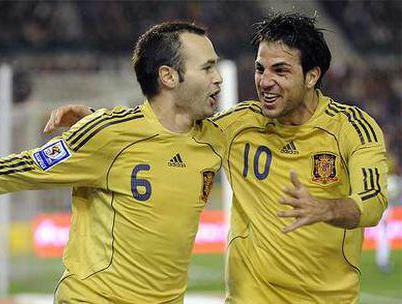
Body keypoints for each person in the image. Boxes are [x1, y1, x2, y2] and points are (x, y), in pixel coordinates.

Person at [43, 12, 388, 304]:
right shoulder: (236, 125)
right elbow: (166, 128)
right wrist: (99, 118)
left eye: (280, 71)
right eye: (259, 69)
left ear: (312, 76)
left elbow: (372, 203)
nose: (265, 82)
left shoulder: (352, 129)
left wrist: (326, 208)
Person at [0, 22, 224, 303]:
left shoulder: (215, 138)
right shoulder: (107, 134)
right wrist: (96, 123)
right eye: (207, 68)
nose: (218, 78)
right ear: (168, 76)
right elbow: (23, 168)